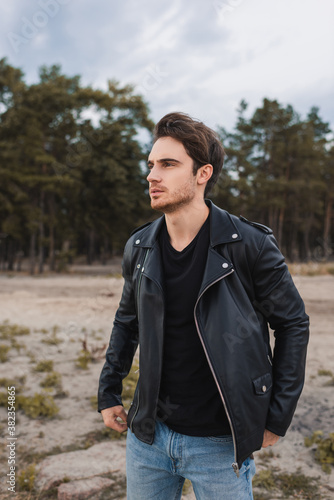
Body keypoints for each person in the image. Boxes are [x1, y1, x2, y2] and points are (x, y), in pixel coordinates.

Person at [98, 112, 309, 500]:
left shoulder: (250, 245)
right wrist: (109, 390)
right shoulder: (140, 247)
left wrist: (277, 416)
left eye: (168, 164)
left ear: (202, 173)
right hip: (149, 438)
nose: (152, 175)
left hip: (220, 442)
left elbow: (293, 323)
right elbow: (127, 322)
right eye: (150, 165)